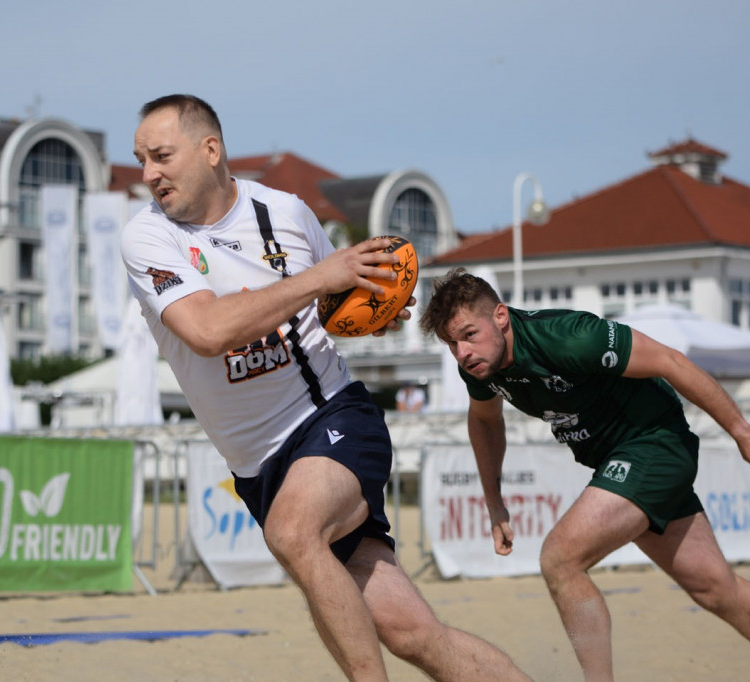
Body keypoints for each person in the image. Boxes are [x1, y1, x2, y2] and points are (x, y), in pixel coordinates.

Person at [121, 95, 530, 682]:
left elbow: (344, 299)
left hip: (330, 418)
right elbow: (208, 332)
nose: (148, 175)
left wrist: (379, 303)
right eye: (140, 160)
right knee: (413, 633)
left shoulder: (284, 212)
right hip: (259, 469)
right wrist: (325, 277)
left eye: (160, 156)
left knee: (293, 531)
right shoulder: (147, 238)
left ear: (210, 150)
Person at [419, 268, 750, 682]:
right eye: (452, 344)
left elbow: (671, 361)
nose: (462, 352)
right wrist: (495, 503)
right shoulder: (480, 368)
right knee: (717, 589)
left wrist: (742, 431)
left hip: (655, 443)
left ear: (501, 317)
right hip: (623, 459)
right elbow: (486, 422)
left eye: (468, 335)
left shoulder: (569, 336)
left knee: (561, 559)